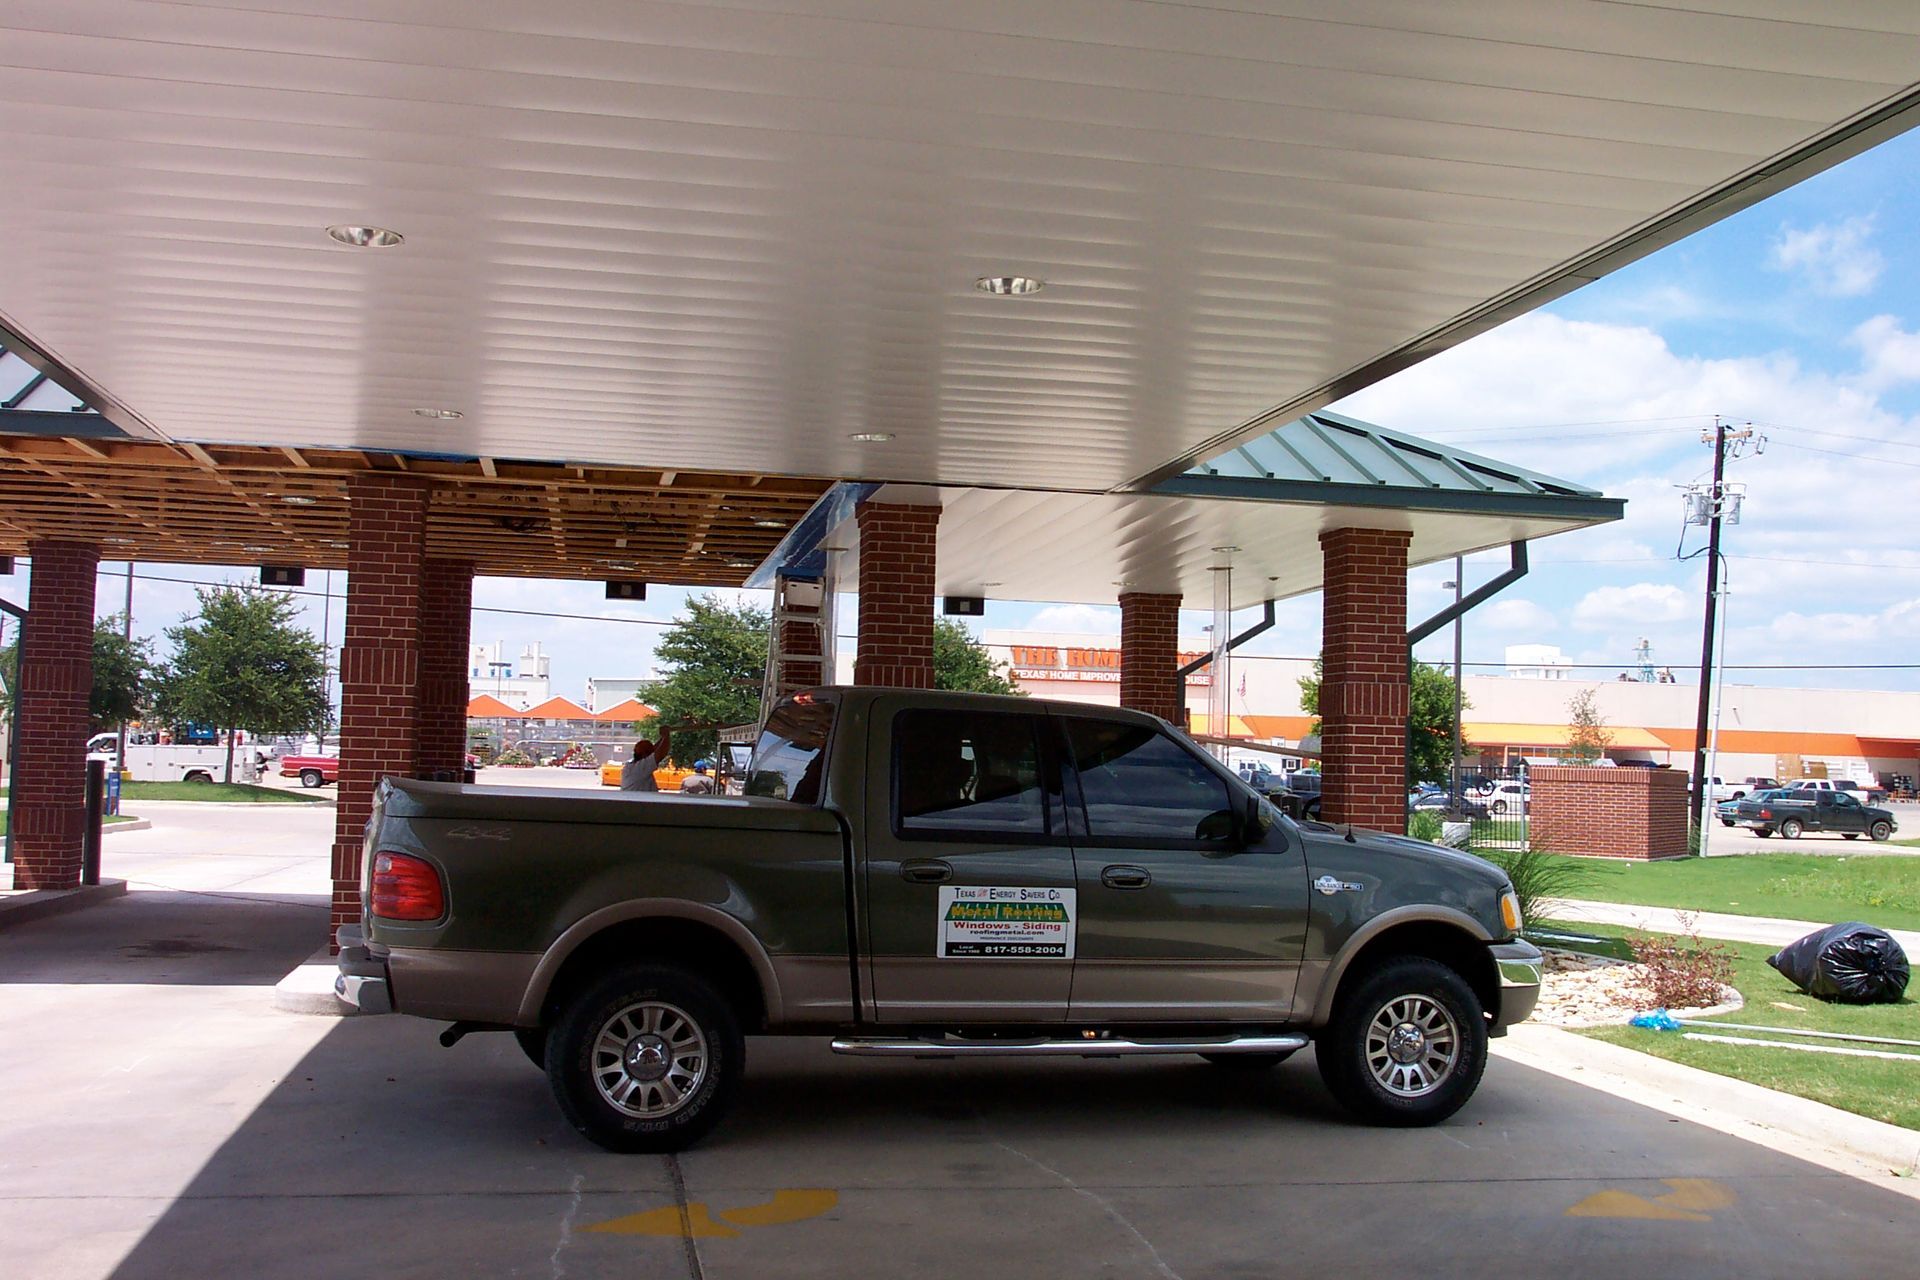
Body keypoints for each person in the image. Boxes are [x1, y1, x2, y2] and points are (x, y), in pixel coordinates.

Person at [620, 725, 672, 792]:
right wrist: (666, 735)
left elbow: (655, 750)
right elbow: (661, 753)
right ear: (645, 754)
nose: (652, 753)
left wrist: (663, 737)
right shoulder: (639, 769)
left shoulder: (633, 767)